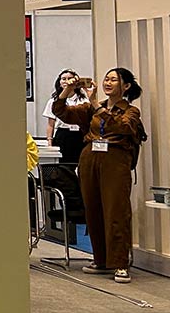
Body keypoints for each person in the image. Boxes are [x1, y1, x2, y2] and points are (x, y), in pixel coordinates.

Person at [52, 69, 147, 283]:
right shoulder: (91, 108)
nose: (108, 83)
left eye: (114, 80)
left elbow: (123, 127)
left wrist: (95, 104)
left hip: (115, 159)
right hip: (90, 157)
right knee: (93, 210)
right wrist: (67, 90)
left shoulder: (130, 111)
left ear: (126, 86)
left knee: (116, 210)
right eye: (106, 79)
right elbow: (61, 111)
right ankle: (101, 260)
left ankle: (120, 263)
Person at [43, 69, 89, 163]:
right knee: (63, 164)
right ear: (59, 82)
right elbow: (51, 124)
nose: (66, 81)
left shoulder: (84, 100)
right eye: (63, 79)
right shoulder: (54, 101)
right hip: (63, 135)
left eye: (69, 78)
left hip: (80, 134)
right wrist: (49, 142)